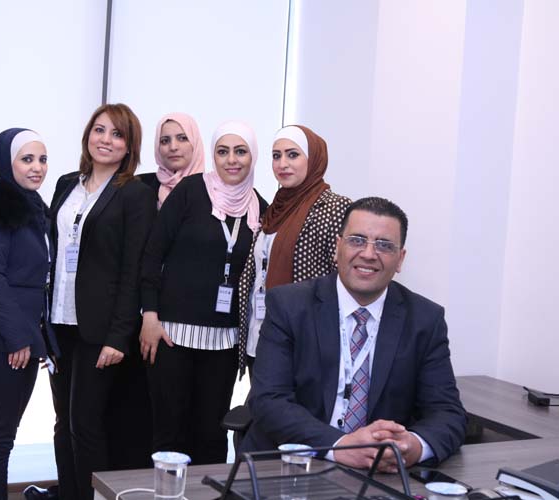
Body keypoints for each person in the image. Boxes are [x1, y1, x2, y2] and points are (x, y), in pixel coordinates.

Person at [240, 197, 467, 470]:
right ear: (337, 248)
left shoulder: (424, 320)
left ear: (400, 259)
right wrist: (340, 446)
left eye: (384, 245)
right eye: (357, 240)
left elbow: (448, 413)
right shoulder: (289, 306)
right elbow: (269, 401)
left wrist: (414, 446)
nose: (369, 254)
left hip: (376, 472)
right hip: (288, 464)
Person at [42, 103, 156, 500]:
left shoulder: (135, 194)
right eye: (99, 130)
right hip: (58, 322)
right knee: (61, 423)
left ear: (129, 146)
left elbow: (132, 270)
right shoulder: (65, 184)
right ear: (88, 135)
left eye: (117, 134)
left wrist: (119, 336)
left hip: (99, 329)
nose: (105, 140)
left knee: (85, 425)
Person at [140, 121, 267, 465]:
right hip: (171, 335)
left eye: (240, 151)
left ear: (252, 156)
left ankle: (207, 490)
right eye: (222, 152)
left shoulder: (260, 207)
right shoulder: (191, 191)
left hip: (224, 341)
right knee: (168, 431)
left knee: (211, 434)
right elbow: (152, 255)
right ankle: (166, 490)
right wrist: (149, 315)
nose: (231, 160)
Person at [0, 129, 57, 499]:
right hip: (2, 339)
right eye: (27, 159)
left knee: (4, 439)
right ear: (7, 162)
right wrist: (17, 337)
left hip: (26, 337)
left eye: (43, 159)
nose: (37, 167)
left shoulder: (35, 206)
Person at [237, 125, 351, 377]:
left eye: (293, 154)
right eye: (276, 156)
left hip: (304, 342)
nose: (282, 164)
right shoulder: (274, 209)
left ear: (313, 159)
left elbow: (344, 279)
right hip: (260, 335)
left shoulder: (335, 208)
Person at [138, 112, 205, 207]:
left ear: (195, 143)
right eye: (165, 141)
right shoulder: (140, 186)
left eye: (182, 138)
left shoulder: (213, 191)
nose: (173, 147)